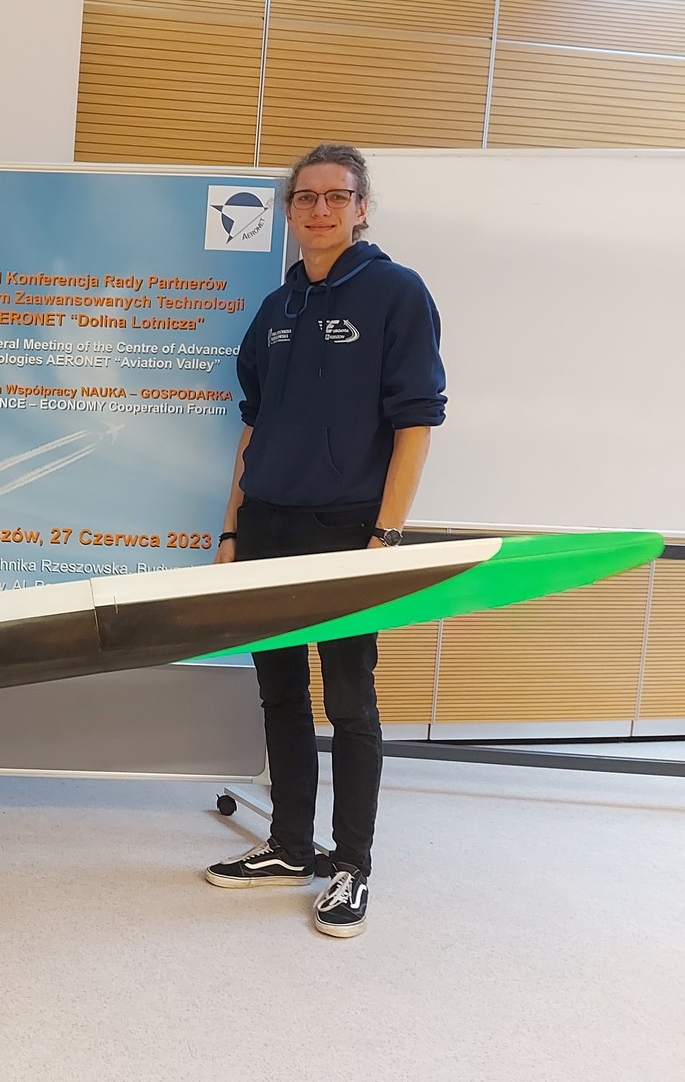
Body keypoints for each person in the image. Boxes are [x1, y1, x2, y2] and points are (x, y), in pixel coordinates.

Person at [205, 144, 446, 938]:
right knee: (279, 693)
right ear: (288, 210)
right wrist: (234, 526)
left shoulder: (396, 293)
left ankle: (352, 865)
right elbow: (254, 428)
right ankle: (289, 846)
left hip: (346, 530)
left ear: (361, 207)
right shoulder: (278, 307)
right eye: (304, 197)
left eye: (335, 196)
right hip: (266, 526)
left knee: (349, 702)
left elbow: (416, 423)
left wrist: (386, 536)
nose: (318, 209)